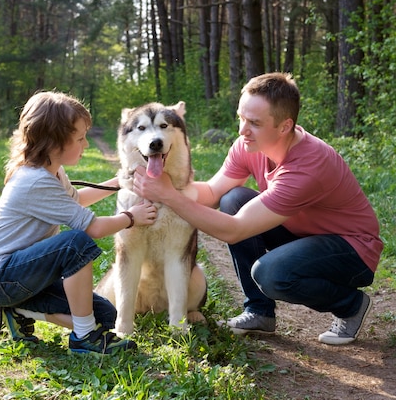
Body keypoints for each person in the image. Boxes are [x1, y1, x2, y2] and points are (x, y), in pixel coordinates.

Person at [133, 72, 383, 345]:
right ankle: (259, 312)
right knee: (233, 198)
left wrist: (169, 196)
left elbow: (235, 231)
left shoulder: (308, 167)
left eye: (254, 123)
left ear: (285, 126)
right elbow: (213, 192)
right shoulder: (249, 145)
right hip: (304, 234)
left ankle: (350, 305)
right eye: (241, 117)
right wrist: (169, 185)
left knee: (271, 274)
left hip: (351, 251)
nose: (242, 130)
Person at [0, 91, 158, 354]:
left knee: (106, 314)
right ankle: (84, 337)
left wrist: (119, 182)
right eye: (80, 138)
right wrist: (131, 218)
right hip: (3, 277)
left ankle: (19, 310)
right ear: (55, 142)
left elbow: (77, 202)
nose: (86, 145)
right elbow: (93, 228)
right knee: (77, 243)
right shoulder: (36, 180)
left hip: (25, 275)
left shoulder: (52, 171)